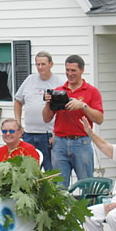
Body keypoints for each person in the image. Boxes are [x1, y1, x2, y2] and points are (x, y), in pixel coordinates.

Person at [43, 54, 104, 187]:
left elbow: (99, 119)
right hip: (60, 142)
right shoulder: (59, 91)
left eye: (73, 71)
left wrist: (83, 106)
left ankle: (89, 208)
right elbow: (46, 118)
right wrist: (48, 102)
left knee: (87, 185)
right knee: (59, 187)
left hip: (81, 141)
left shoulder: (92, 92)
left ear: (81, 71)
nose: (70, 74)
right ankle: (62, 208)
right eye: (67, 70)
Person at [14, 51, 64, 170]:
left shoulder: (59, 82)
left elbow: (63, 111)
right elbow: (18, 101)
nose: (40, 67)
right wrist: (18, 124)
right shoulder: (30, 79)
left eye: (43, 64)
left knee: (49, 169)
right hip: (29, 134)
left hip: (48, 135)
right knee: (27, 169)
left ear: (51, 64)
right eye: (38, 64)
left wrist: (56, 133)